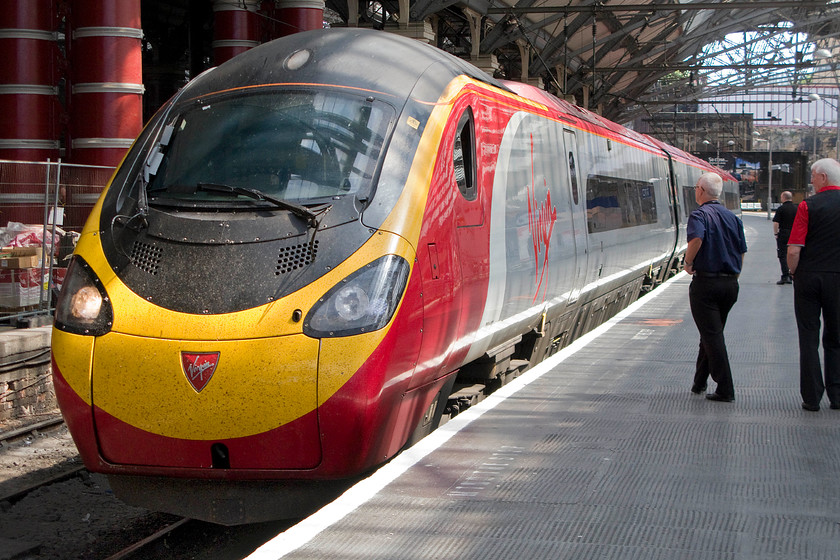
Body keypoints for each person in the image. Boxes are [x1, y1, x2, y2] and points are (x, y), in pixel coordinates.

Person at [683, 172, 748, 402]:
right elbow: (741, 251)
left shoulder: (698, 215)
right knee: (710, 333)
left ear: (700, 190)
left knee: (712, 336)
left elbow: (696, 239)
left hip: (706, 284)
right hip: (730, 284)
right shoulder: (733, 218)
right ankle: (699, 382)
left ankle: (725, 388)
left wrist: (688, 262)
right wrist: (735, 276)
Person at [786, 158, 840, 412]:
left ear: (824, 178)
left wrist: (793, 272)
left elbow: (794, 249)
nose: (811, 180)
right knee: (836, 337)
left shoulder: (808, 205)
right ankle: (837, 395)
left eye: (813, 176)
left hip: (809, 276)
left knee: (808, 336)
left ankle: (812, 396)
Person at [772, 191, 797, 284]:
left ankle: (785, 275)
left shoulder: (781, 209)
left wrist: (776, 233)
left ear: (783, 198)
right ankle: (793, 274)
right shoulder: (797, 208)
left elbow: (776, 223)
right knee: (794, 253)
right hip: (794, 234)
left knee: (782, 255)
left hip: (783, 233)